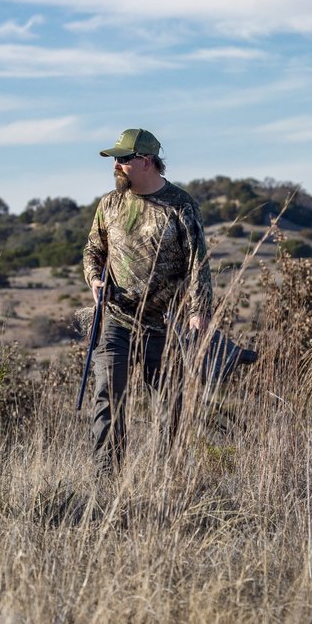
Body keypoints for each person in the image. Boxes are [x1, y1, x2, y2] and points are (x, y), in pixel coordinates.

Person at [82, 128, 213, 475]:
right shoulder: (109, 204)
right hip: (116, 319)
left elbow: (198, 264)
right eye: (115, 160)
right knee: (107, 398)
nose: (117, 166)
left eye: (123, 159)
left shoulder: (181, 205)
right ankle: (107, 481)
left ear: (145, 161)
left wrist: (199, 314)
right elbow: (93, 250)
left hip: (164, 323)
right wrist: (95, 280)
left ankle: (174, 479)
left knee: (172, 404)